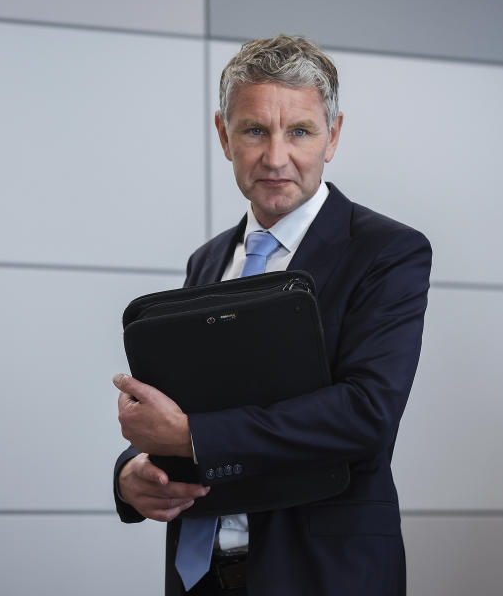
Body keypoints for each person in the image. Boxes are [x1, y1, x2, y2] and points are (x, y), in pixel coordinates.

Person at [112, 34, 432, 595]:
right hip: (203, 575)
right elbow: (200, 407)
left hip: (319, 574)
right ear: (223, 135)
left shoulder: (385, 251)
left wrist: (191, 437)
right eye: (255, 130)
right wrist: (134, 471)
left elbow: (366, 413)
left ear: (332, 137)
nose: (275, 157)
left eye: (300, 131)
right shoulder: (208, 260)